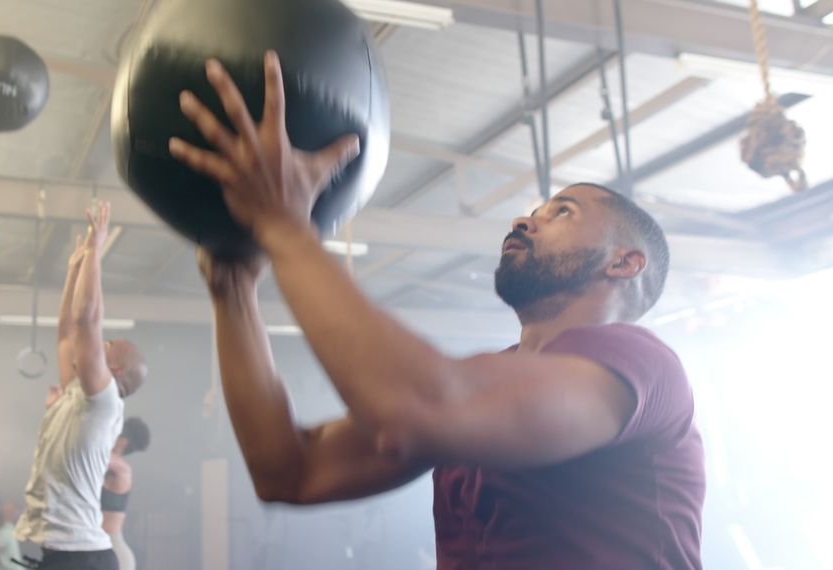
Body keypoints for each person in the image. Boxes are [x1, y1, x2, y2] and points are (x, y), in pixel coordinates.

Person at [169, 52, 705, 569]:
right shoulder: (486, 388)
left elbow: (413, 408)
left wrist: (285, 225)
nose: (523, 221)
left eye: (562, 211)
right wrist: (232, 291)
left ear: (625, 263)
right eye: (532, 210)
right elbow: (289, 471)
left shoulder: (642, 363)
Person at [15, 202, 148, 570]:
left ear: (115, 369)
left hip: (82, 558)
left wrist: (96, 251)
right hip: (67, 554)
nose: (89, 349)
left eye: (102, 348)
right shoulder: (79, 394)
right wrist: (74, 270)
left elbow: (86, 318)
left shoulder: (103, 401)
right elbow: (66, 331)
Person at [101, 417, 151, 570]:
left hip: (114, 551)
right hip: (99, 547)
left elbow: (94, 452)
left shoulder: (122, 469)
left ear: (122, 441)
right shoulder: (108, 467)